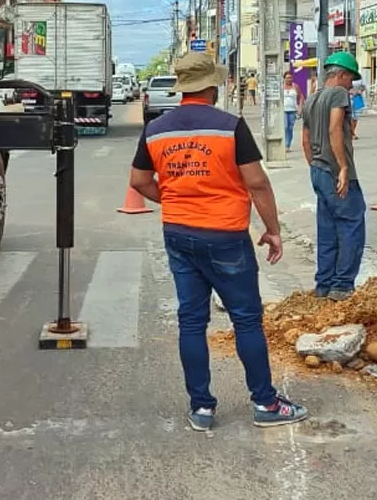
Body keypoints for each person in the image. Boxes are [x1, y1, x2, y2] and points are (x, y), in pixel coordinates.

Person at [128, 52, 308, 433]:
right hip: (225, 234)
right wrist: (272, 229)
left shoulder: (157, 129)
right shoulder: (230, 126)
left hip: (178, 233)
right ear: (211, 86)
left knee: (192, 321)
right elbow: (257, 182)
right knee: (246, 320)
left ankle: (202, 410)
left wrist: (174, 197)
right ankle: (265, 402)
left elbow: (140, 182)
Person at [301, 52, 366, 301]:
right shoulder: (338, 94)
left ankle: (324, 286)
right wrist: (343, 167)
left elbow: (305, 140)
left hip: (318, 170)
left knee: (327, 230)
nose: (351, 85)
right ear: (341, 75)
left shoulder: (311, 99)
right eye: (351, 79)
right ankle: (342, 286)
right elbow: (334, 128)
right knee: (351, 224)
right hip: (335, 172)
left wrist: (315, 166)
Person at [282, 71, 304, 152]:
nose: (289, 79)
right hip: (283, 110)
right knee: (285, 127)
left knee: (290, 128)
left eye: (290, 77)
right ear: (284, 79)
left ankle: (288, 145)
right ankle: (283, 144)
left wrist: (300, 108)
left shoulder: (295, 86)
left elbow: (301, 97)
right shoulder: (281, 87)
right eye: (287, 78)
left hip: (292, 110)